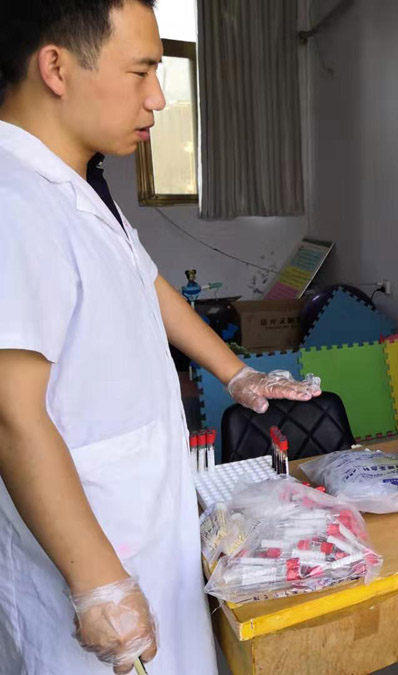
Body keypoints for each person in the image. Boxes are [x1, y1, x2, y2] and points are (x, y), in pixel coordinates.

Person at [0, 2, 320, 673]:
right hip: (90, 553)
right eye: (141, 70)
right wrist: (98, 585)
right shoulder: (14, 200)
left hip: (141, 519)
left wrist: (236, 372)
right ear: (56, 67)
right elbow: (10, 413)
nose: (158, 97)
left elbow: (146, 282)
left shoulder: (76, 185)